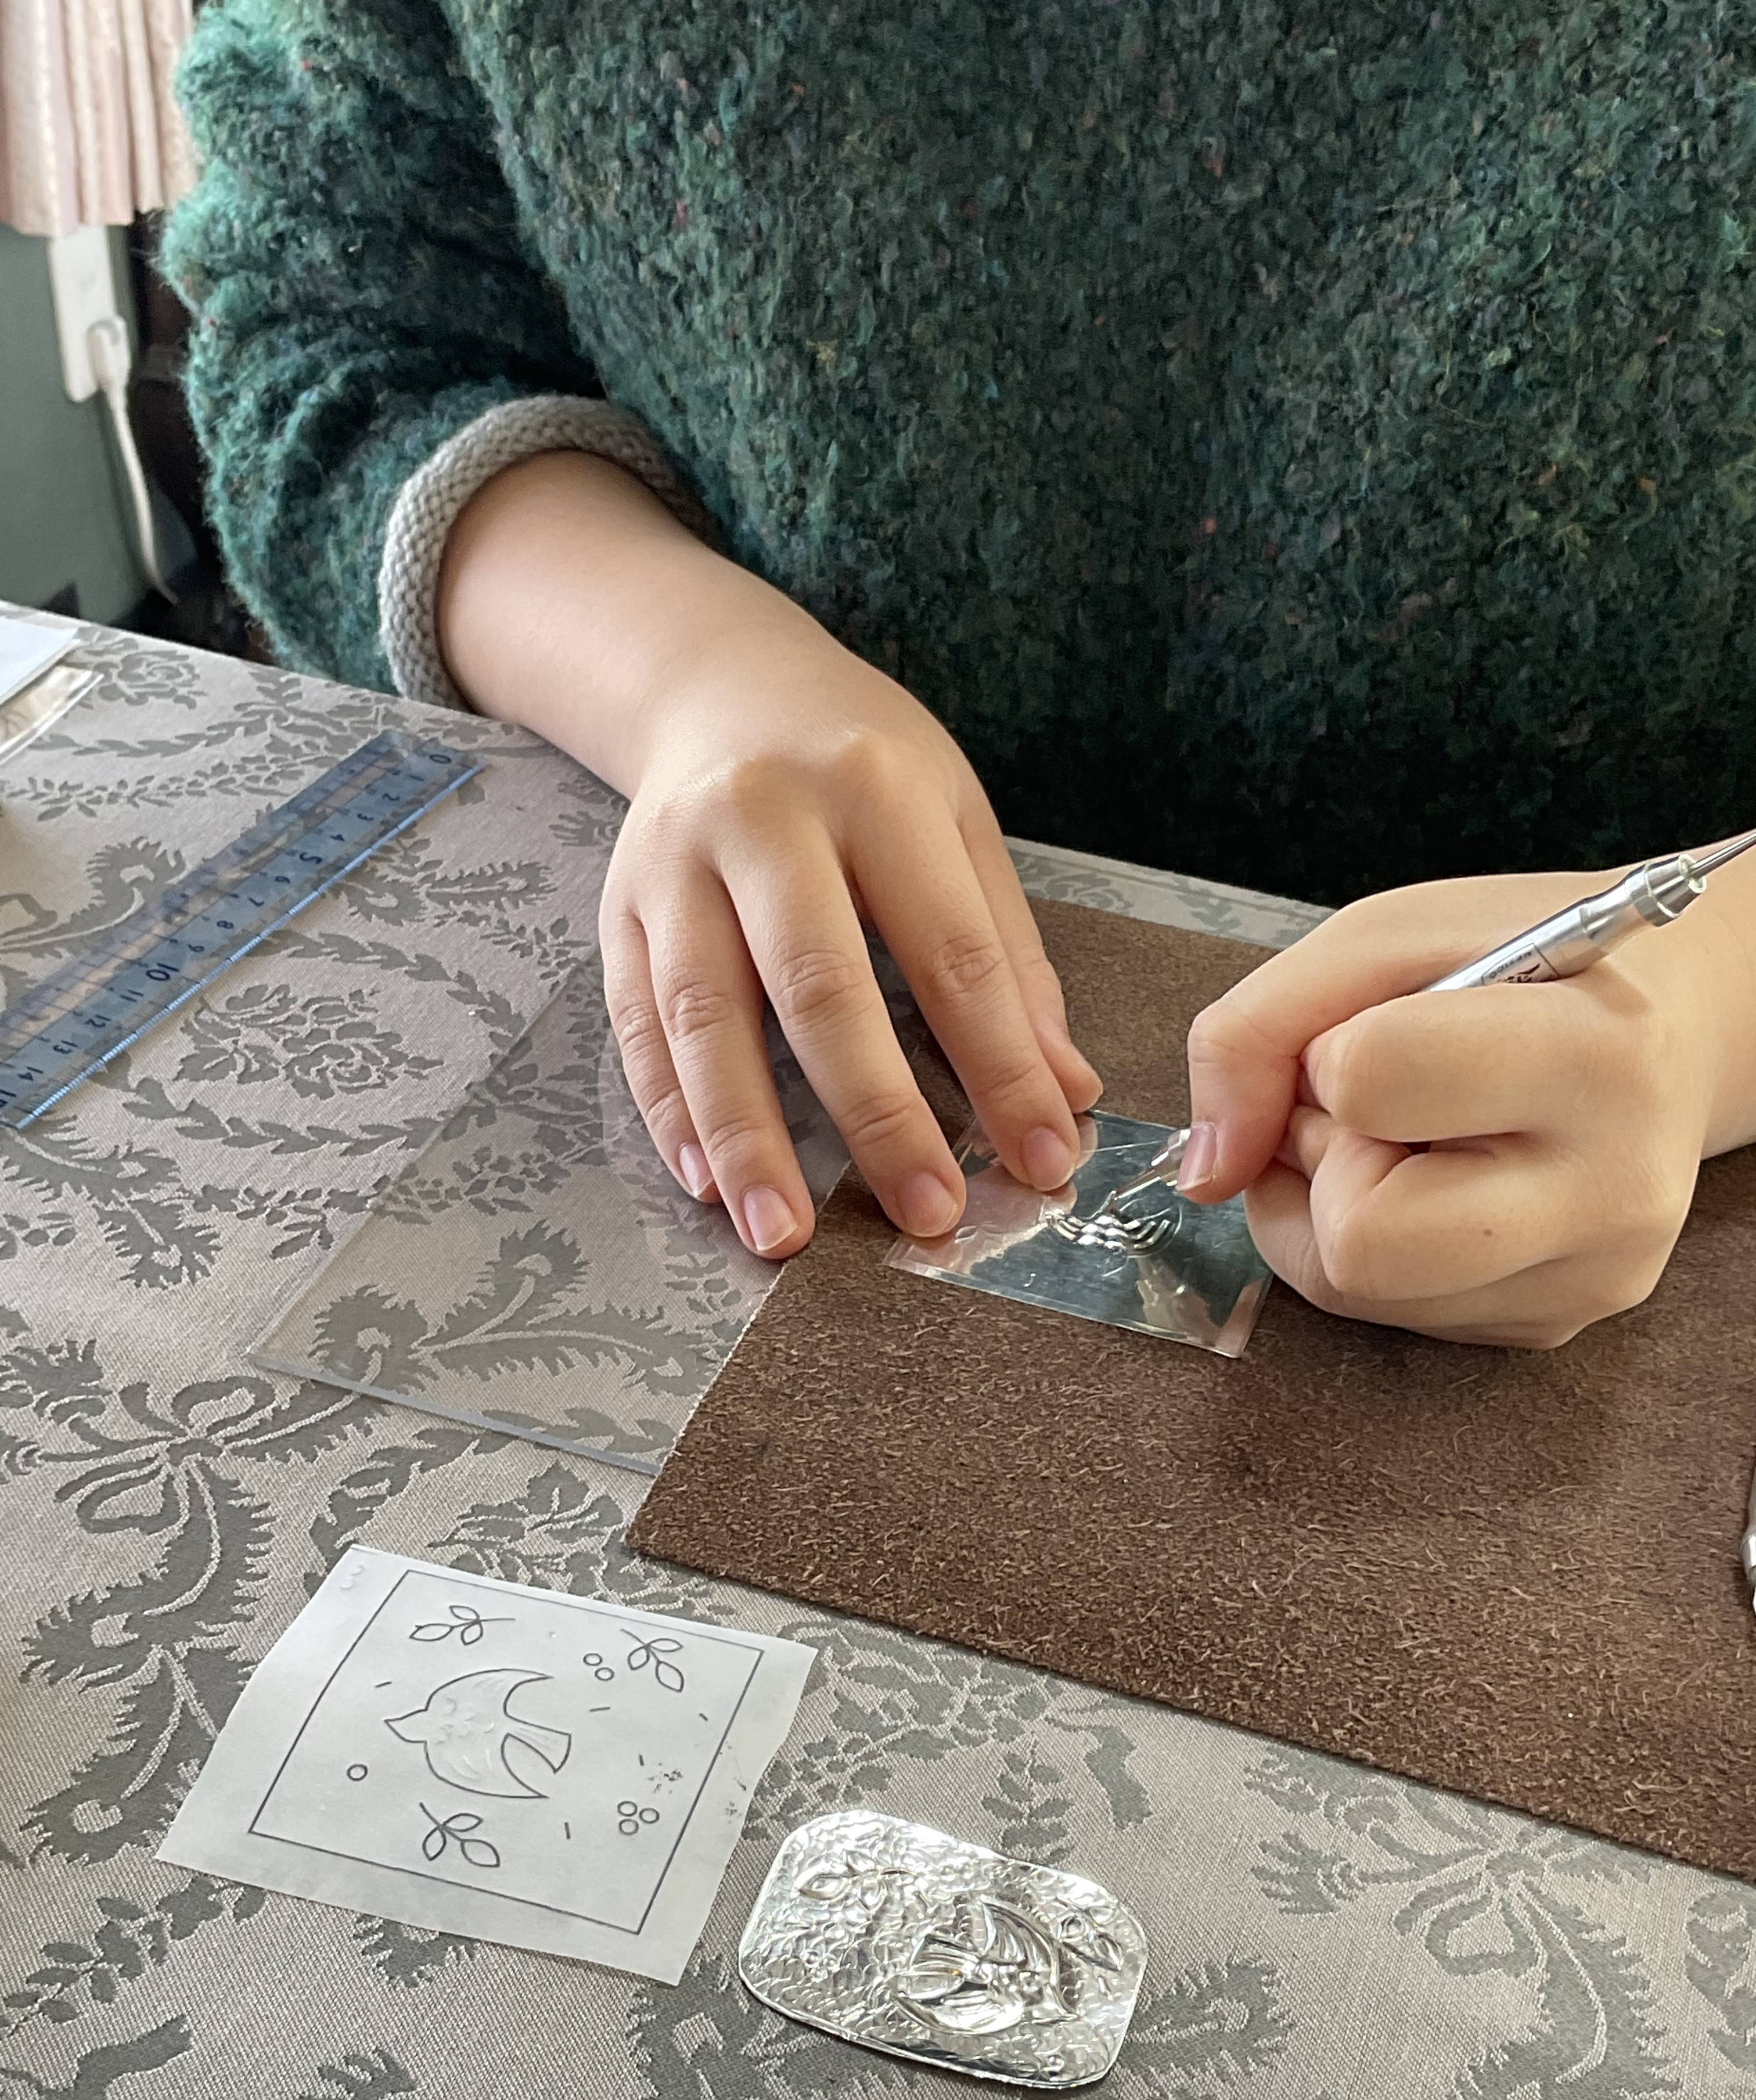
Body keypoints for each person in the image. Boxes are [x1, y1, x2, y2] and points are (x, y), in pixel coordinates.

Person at [165, 0, 1756, 1347]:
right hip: (701, 1052)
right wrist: (692, 673)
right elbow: (337, 337)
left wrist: (1707, 1011)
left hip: (1635, 1211)